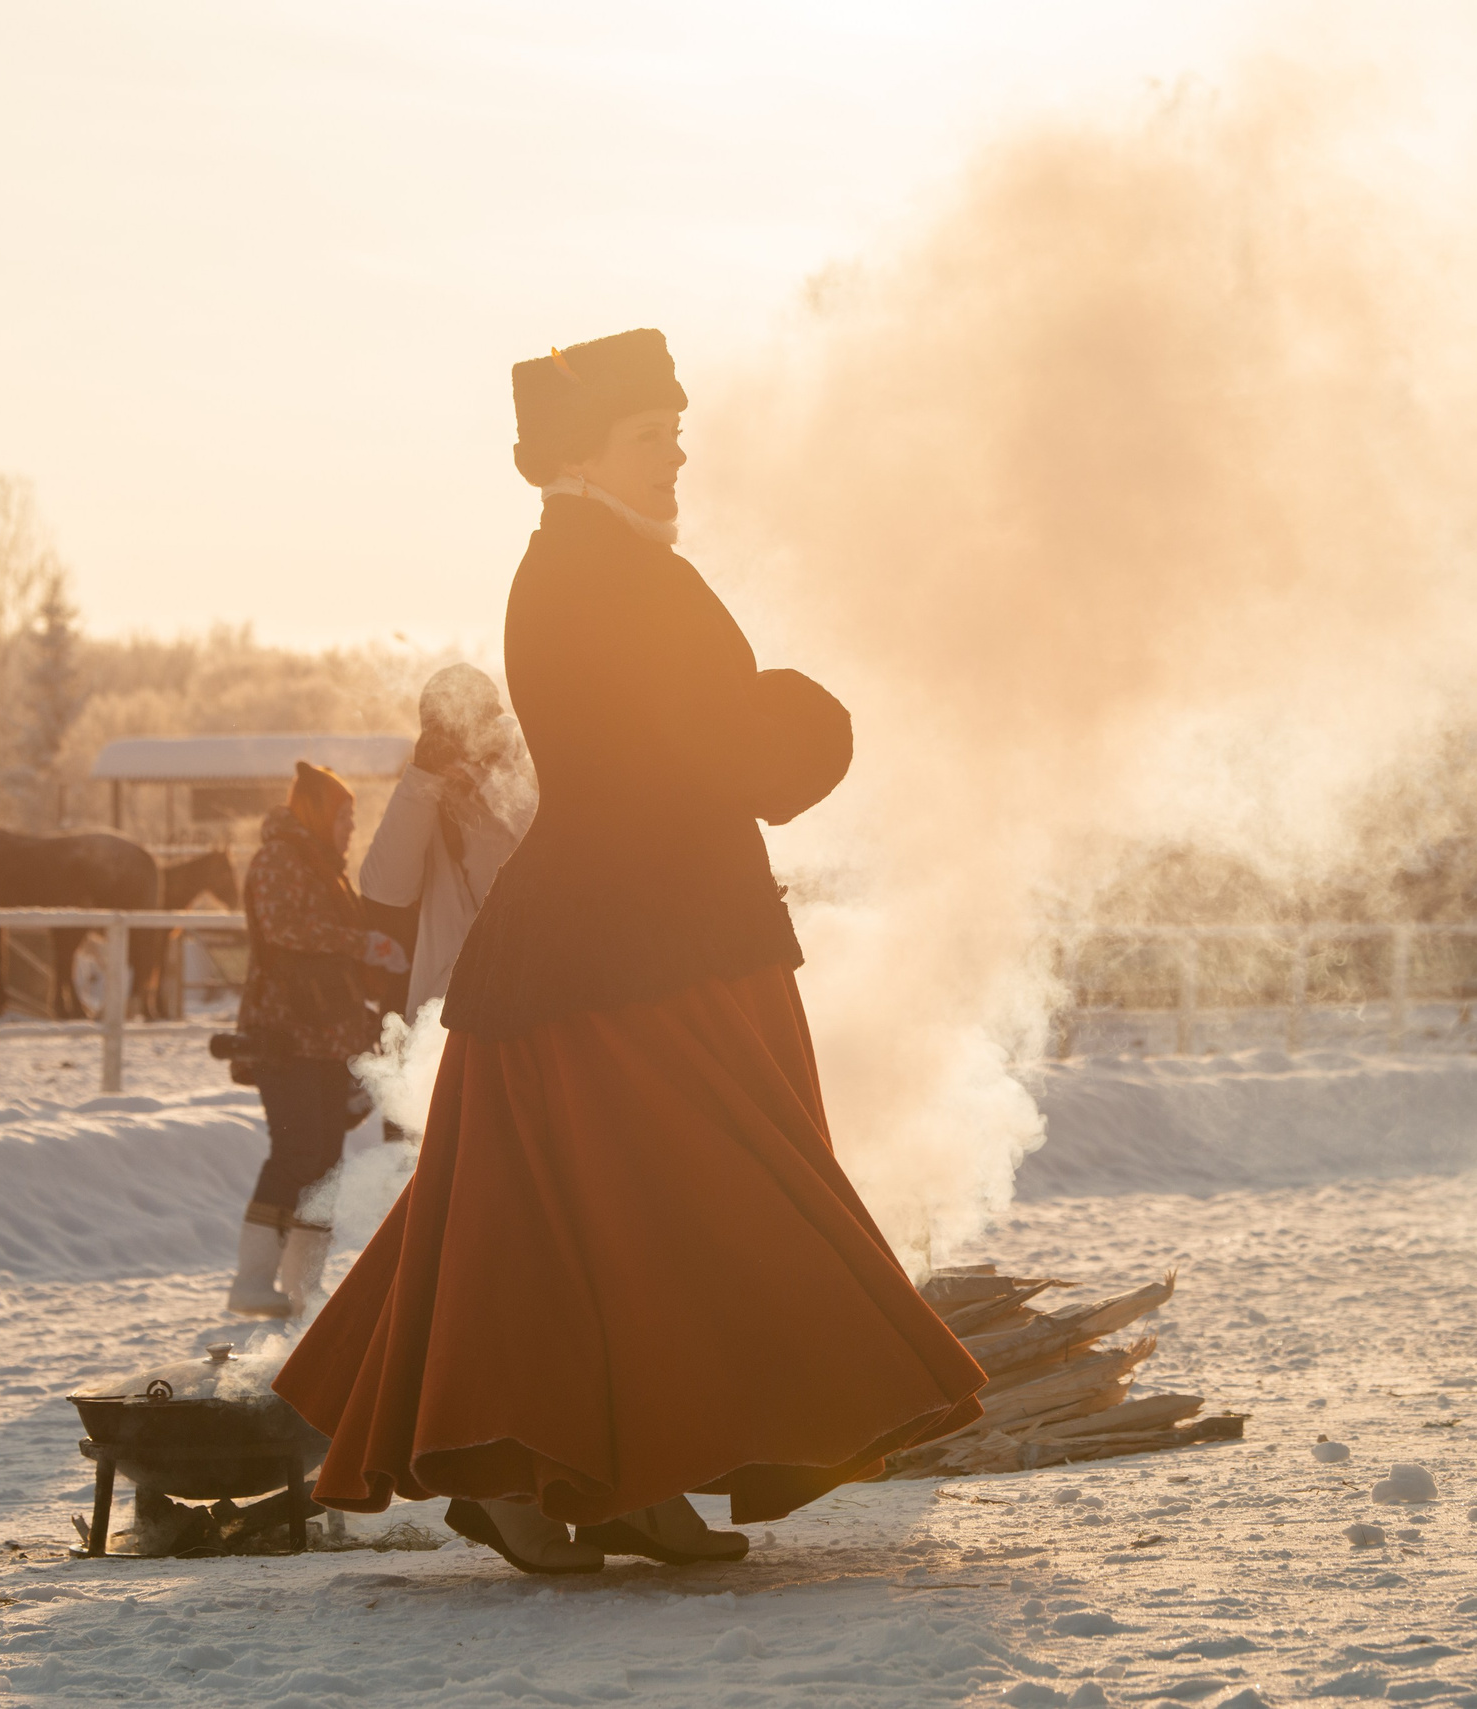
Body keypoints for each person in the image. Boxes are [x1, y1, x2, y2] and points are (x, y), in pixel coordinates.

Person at [274, 328, 987, 1574]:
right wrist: (807, 719)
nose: (677, 455)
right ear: (583, 453)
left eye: (676, 431)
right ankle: (595, 1477)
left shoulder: (591, 561)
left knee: (581, 1223)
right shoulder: (600, 571)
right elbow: (702, 746)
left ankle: (594, 1476)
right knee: (677, 1210)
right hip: (628, 947)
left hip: (633, 931)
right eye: (652, 436)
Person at [227, 761, 409, 1318]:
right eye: (344, 816)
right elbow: (288, 929)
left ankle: (302, 1283)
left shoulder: (319, 866)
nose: (351, 827)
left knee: (324, 1158)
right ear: (318, 813)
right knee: (297, 1151)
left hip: (324, 1036)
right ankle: (253, 1279)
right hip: (285, 1034)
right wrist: (364, 944)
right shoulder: (282, 861)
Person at [358, 663, 536, 1020]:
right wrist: (422, 776)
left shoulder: (526, 773)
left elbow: (546, 843)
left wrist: (489, 776)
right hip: (445, 1016)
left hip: (529, 998)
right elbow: (384, 888)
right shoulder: (423, 797)